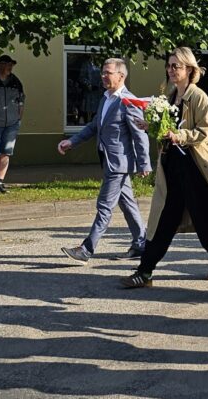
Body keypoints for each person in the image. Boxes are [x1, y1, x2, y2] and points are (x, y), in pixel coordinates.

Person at [120, 47, 208, 288]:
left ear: (189, 70)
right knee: (162, 221)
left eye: (175, 66)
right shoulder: (170, 96)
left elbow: (207, 130)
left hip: (195, 168)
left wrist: (180, 135)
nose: (170, 70)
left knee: (205, 221)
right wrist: (151, 127)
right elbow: (167, 129)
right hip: (172, 168)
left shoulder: (198, 96)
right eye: (169, 66)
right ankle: (145, 271)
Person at [57, 58, 151, 262]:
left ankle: (86, 249)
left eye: (108, 72)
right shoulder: (106, 98)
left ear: (121, 76)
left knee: (104, 206)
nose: (103, 76)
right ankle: (141, 244)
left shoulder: (129, 101)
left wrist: (144, 163)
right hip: (108, 160)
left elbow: (140, 134)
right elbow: (93, 126)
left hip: (119, 163)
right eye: (103, 72)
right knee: (128, 204)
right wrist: (72, 142)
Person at [0, 55, 25, 195]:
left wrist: (18, 119)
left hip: (11, 124)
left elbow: (21, 101)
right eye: (8, 64)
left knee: (5, 153)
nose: (10, 67)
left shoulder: (15, 82)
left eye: (11, 65)